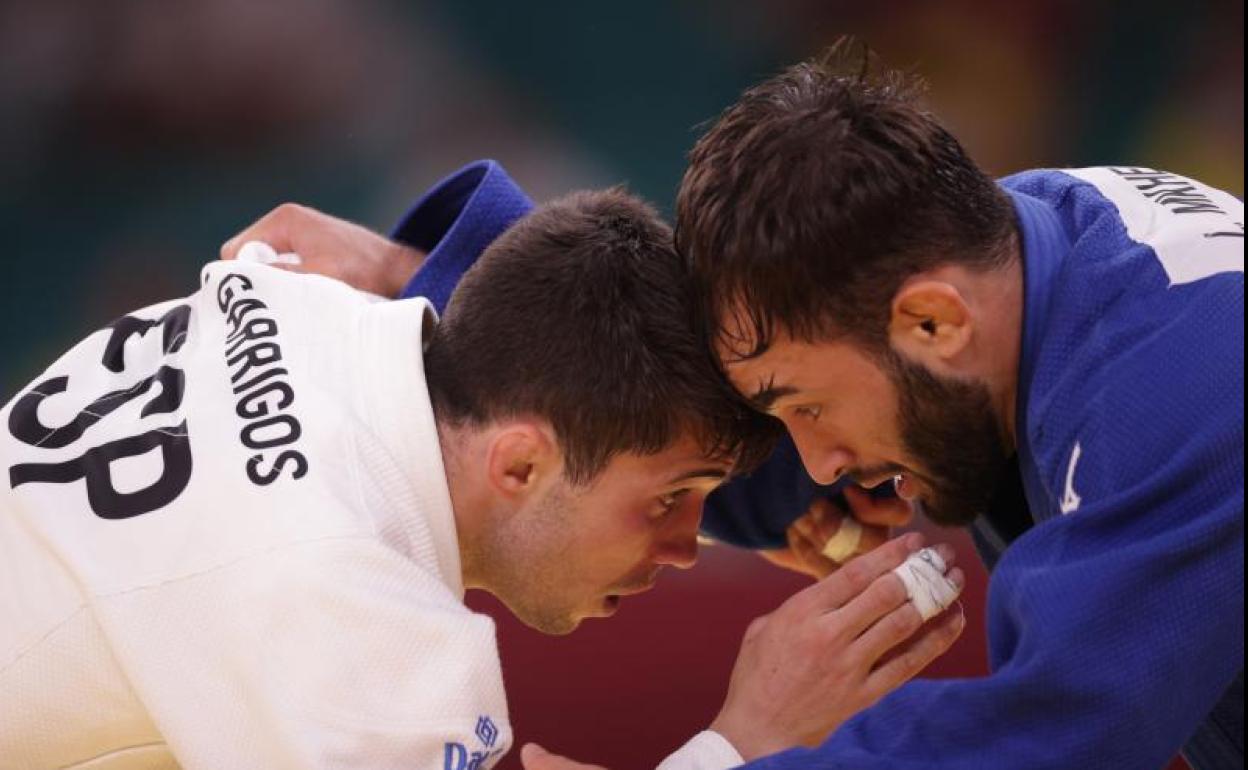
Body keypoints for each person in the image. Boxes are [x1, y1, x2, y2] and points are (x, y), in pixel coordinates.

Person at [0, 187, 965, 769]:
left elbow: (535, 326)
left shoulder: (297, 299)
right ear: (521, 463)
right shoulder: (342, 602)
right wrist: (750, 736)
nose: (682, 550)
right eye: (670, 499)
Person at [671, 48, 1244, 769]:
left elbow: (1048, 740)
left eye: (809, 410)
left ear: (934, 324)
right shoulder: (1018, 243)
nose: (819, 463)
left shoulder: (1181, 392)